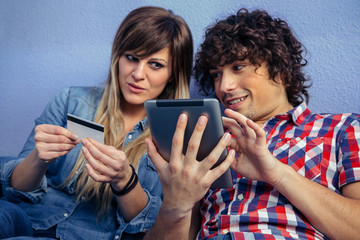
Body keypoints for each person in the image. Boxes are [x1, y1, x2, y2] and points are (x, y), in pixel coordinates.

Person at [144, 8, 360, 240]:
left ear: (281, 69)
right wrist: (176, 206)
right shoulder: (209, 142)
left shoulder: (342, 128)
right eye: (216, 74)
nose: (224, 86)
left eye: (238, 67)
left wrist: (277, 173)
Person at [0, 6, 193, 239]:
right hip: (27, 219)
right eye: (131, 58)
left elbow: (148, 228)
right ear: (117, 57)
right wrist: (38, 159)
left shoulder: (178, 136)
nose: (138, 74)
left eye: (155, 64)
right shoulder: (71, 100)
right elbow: (17, 191)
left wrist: (125, 181)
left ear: (173, 72)